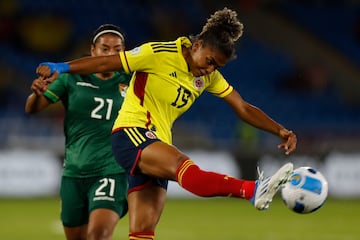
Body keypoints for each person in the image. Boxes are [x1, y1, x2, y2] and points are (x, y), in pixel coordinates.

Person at [36, 8, 297, 240]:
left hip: (156, 142)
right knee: (186, 169)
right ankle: (252, 190)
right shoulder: (157, 53)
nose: (210, 70)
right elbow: (107, 62)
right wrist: (62, 67)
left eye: (217, 66)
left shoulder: (209, 77)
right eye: (210, 61)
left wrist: (279, 130)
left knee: (143, 231)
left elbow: (242, 107)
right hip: (131, 134)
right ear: (197, 45)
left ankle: (252, 190)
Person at [26, 24, 131, 240]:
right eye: (105, 49)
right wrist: (38, 93)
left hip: (112, 170)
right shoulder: (70, 77)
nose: (111, 54)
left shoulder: (133, 80)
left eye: (118, 49)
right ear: (93, 51)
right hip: (74, 172)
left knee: (98, 234)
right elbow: (32, 108)